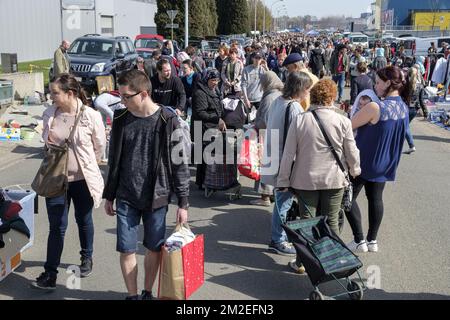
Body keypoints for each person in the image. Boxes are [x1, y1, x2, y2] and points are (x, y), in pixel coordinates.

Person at [103, 69, 190, 300]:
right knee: (126, 248)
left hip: (157, 196)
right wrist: (108, 195)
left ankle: (147, 292)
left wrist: (183, 202)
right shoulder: (121, 119)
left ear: (143, 94)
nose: (122, 101)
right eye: (120, 96)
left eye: (126, 96)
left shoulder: (167, 120)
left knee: (153, 247)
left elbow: (179, 164)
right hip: (126, 196)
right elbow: (113, 161)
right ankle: (132, 296)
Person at [32, 74, 106, 290]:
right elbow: (46, 145)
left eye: (55, 92)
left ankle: (86, 257)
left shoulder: (90, 116)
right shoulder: (49, 114)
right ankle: (50, 273)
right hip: (56, 180)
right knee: (57, 226)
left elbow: (99, 147)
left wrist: (84, 163)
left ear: (70, 93)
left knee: (83, 220)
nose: (51, 96)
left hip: (82, 181)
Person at [277, 79, 360, 236]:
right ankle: (332, 258)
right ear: (332, 98)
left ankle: (304, 260)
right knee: (332, 220)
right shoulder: (343, 121)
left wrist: (283, 180)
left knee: (306, 220)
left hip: (305, 179)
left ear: (313, 96)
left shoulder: (300, 120)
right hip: (334, 179)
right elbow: (351, 151)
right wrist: (355, 169)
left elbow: (288, 154)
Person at [346, 66, 410, 253]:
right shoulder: (403, 107)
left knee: (346, 197)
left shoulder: (376, 107)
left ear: (389, 83)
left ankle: (359, 240)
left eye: (379, 82)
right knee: (375, 198)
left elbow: (348, 126)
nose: (375, 86)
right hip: (386, 162)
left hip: (366, 160)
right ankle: (372, 240)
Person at [261, 72, 313, 256]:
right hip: (285, 161)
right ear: (300, 88)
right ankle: (278, 240)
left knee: (280, 199)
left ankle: (278, 237)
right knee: (283, 201)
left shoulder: (277, 100)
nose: (308, 92)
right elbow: (300, 137)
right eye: (307, 88)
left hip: (272, 155)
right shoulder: (294, 107)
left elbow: (268, 122)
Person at [251, 71, 284, 207]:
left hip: (267, 135)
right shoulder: (279, 94)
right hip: (277, 134)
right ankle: (271, 195)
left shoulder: (269, 97)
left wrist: (254, 125)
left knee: (266, 166)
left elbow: (264, 120)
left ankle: (265, 196)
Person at [191, 69, 224, 189]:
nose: (215, 82)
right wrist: (217, 119)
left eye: (217, 80)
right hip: (202, 128)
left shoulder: (214, 90)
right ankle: (202, 182)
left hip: (210, 127)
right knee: (204, 157)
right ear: (206, 80)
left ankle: (206, 181)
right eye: (212, 80)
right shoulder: (200, 93)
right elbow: (200, 113)